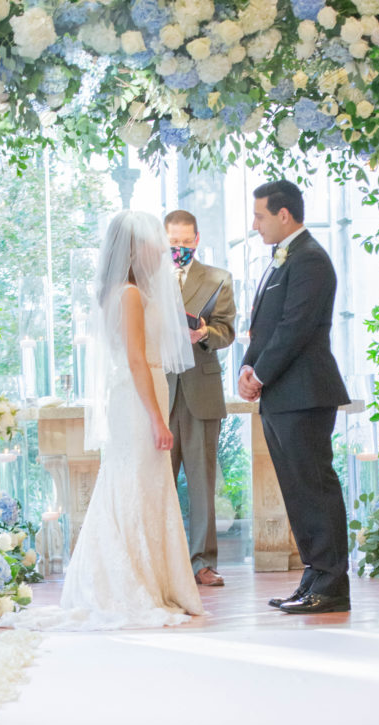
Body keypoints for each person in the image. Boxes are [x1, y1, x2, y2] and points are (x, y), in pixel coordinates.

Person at [2, 211, 204, 630]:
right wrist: (157, 419)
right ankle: (128, 583)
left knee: (138, 487)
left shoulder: (124, 291)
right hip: (136, 400)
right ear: (133, 248)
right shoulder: (130, 294)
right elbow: (134, 360)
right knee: (133, 486)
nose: (160, 249)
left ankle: (149, 580)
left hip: (138, 395)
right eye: (151, 241)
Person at [238, 180, 351, 614]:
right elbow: (262, 325)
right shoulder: (280, 258)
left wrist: (261, 373)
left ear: (284, 214)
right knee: (296, 490)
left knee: (315, 487)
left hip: (305, 393)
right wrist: (248, 368)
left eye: (260, 215)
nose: (254, 224)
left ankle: (332, 584)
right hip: (281, 394)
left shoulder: (311, 260)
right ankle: (314, 576)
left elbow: (295, 327)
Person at [164, 209, 236, 587]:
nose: (179, 247)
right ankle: (165, 561)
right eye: (172, 241)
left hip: (201, 386)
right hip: (160, 389)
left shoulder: (218, 279)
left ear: (196, 240)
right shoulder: (148, 279)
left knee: (202, 481)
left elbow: (228, 331)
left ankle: (202, 562)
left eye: (185, 241)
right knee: (159, 480)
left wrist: (205, 332)